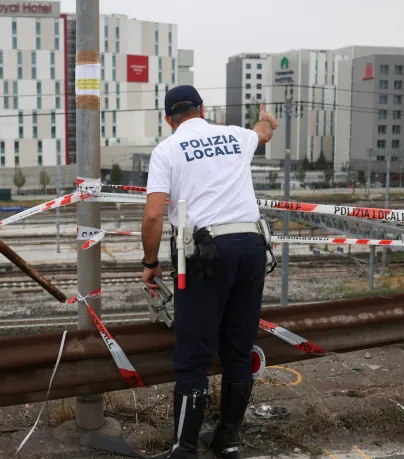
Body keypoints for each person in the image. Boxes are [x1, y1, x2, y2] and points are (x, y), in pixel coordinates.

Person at [140, 85, 278, 459]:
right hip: (251, 248)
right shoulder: (236, 136)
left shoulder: (167, 149)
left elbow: (153, 214)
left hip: (204, 255)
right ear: (202, 109)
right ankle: (228, 440)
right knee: (238, 348)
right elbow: (262, 132)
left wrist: (150, 264)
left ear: (169, 119)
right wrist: (267, 118)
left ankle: (185, 449)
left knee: (193, 354)